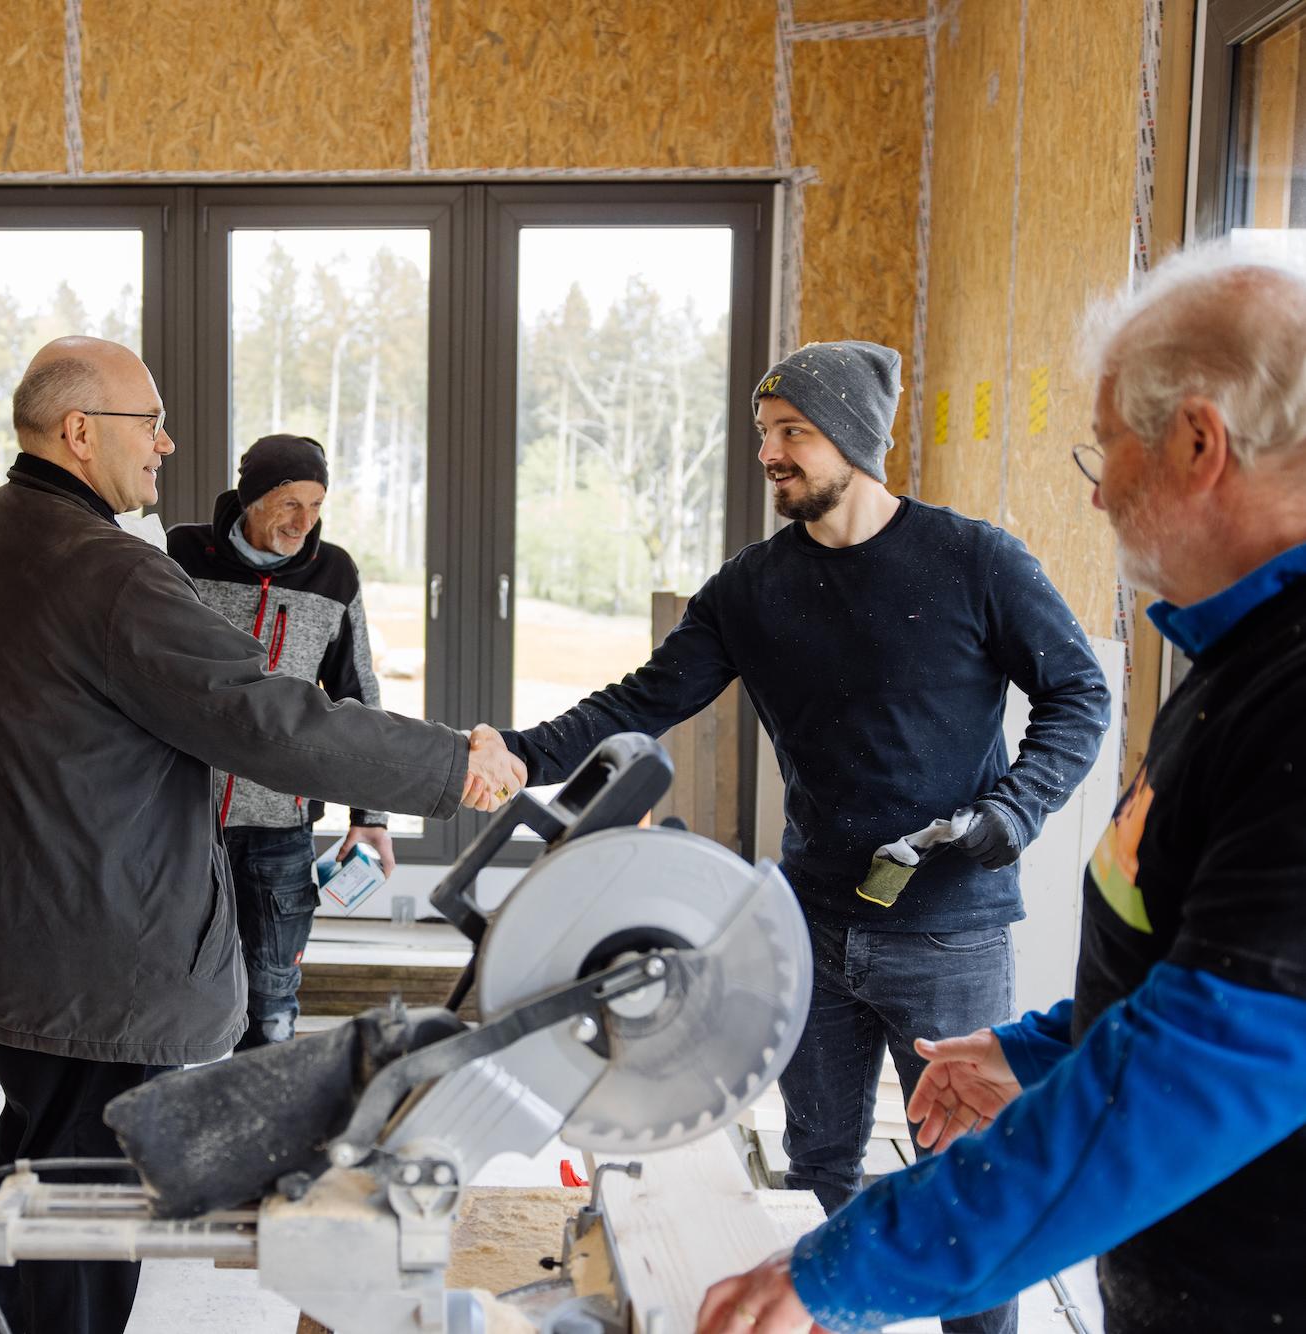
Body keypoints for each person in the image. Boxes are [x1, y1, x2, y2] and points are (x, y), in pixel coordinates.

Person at [695, 245, 1306, 1334]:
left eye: (1109, 443)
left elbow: (1198, 1064)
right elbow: (1208, 959)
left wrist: (843, 1268)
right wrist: (1039, 1044)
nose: (1096, 484)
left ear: (1202, 444)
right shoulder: (1241, 656)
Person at [472, 339, 1110, 1334]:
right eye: (764, 434)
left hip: (950, 929)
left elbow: (1079, 691)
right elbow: (642, 699)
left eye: (793, 433)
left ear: (853, 438)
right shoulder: (752, 588)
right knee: (814, 1174)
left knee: (966, 1185)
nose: (770, 453)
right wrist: (515, 750)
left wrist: (1015, 806)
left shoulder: (975, 560)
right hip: (808, 920)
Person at [0, 336, 522, 1334]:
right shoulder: (108, 572)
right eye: (150, 422)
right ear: (82, 430)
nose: (168, 444)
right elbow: (273, 719)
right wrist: (454, 764)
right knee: (83, 1220)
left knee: (41, 1172)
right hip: (89, 956)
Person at [167, 434, 396, 1049]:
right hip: (176, 819)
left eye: (317, 505)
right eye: (290, 503)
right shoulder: (179, 554)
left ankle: (260, 1131)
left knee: (270, 1001)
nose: (305, 522)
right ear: (251, 498)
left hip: (280, 827)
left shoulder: (334, 573)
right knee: (169, 993)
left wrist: (369, 815)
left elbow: (357, 694)